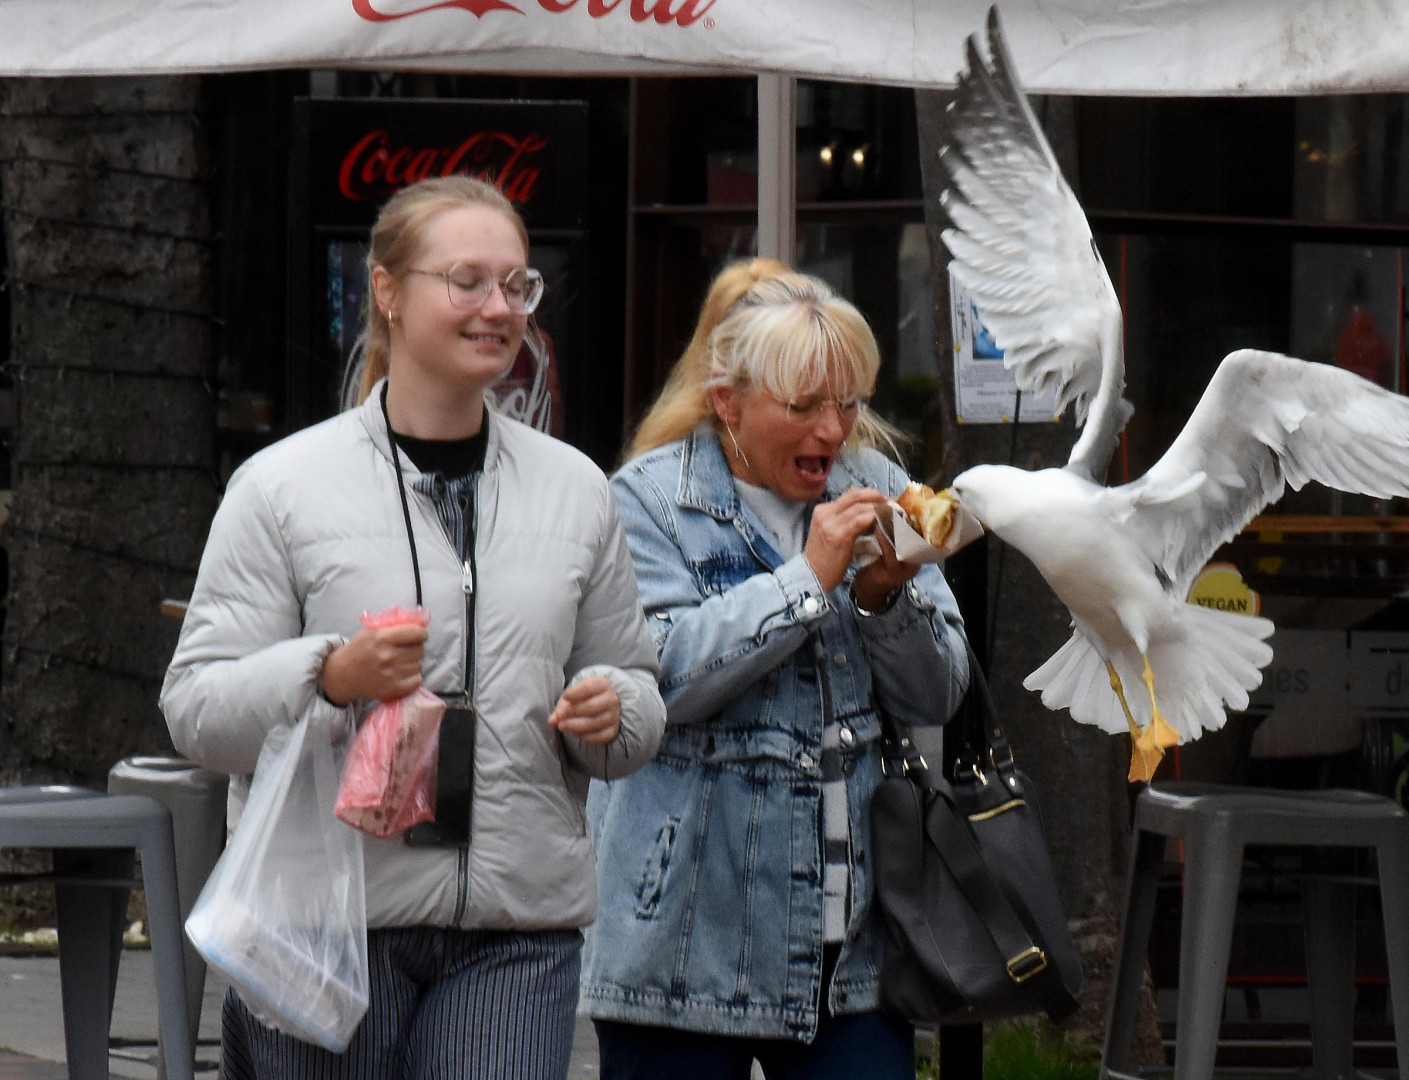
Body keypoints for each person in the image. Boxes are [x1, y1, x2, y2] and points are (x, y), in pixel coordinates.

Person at [162, 175, 667, 1080]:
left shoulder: (576, 488)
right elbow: (196, 712)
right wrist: (328, 674)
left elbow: (636, 689)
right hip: (323, 918)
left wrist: (614, 711)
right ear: (388, 293)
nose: (497, 308)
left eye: (517, 285)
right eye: (466, 280)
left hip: (516, 930)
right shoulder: (282, 487)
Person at [584, 263, 969, 1079]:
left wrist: (880, 600)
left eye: (848, 404)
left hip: (853, 952)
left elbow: (939, 693)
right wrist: (809, 580)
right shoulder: (645, 502)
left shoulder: (884, 489)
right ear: (729, 401)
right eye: (803, 407)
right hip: (682, 941)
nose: (832, 431)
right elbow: (659, 683)